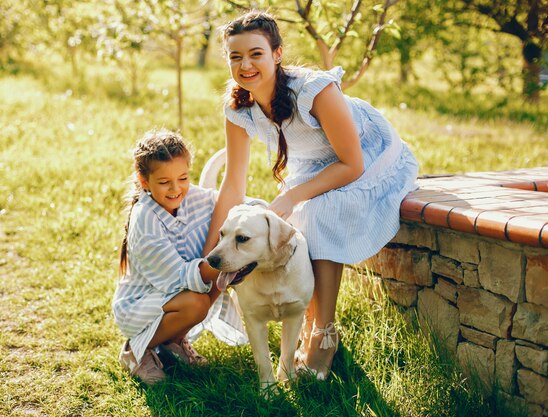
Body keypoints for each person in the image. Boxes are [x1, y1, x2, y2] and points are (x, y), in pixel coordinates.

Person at [202, 11, 419, 380]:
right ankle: (304, 317)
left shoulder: (314, 90)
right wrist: (211, 257)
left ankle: (324, 333)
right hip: (313, 165)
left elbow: (352, 166)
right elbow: (233, 186)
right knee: (294, 216)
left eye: (256, 53)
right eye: (235, 56)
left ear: (277, 53)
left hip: (369, 154)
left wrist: (291, 198)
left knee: (314, 212)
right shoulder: (237, 107)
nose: (245, 64)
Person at [112, 129, 246, 385]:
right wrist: (226, 260)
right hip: (140, 305)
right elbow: (179, 280)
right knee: (198, 301)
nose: (176, 189)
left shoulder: (194, 198)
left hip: (173, 297)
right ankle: (136, 350)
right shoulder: (146, 220)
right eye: (164, 182)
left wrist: (263, 214)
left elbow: (233, 205)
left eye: (183, 178)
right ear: (144, 181)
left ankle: (172, 343)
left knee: (218, 280)